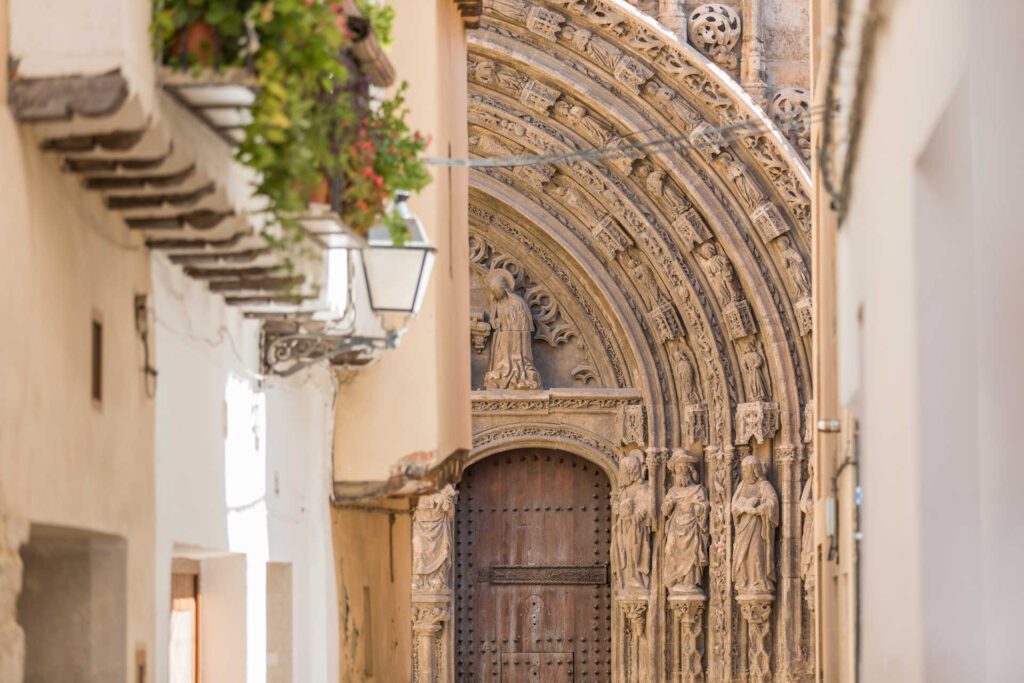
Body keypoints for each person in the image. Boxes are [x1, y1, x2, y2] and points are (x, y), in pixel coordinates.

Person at [483, 269, 541, 390]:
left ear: (504, 288)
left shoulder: (517, 303)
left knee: (515, 366)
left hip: (516, 341)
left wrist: (512, 329)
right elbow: (494, 321)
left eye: (497, 290)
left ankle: (517, 372)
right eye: (494, 291)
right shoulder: (496, 305)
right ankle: (503, 371)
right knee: (501, 366)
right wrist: (496, 323)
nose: (496, 293)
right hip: (502, 340)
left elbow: (524, 327)